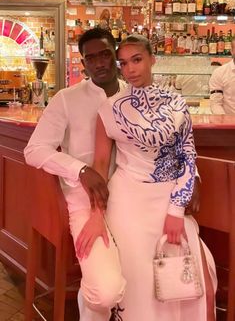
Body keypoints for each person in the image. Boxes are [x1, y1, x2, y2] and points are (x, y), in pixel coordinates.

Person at [24, 28, 200, 321]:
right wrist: (80, 170)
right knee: (106, 290)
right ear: (83, 63)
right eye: (90, 58)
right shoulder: (67, 99)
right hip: (86, 201)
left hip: (133, 199)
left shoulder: (135, 94)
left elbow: (175, 146)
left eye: (105, 54)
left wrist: (193, 180)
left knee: (157, 270)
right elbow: (35, 150)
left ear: (116, 56)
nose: (99, 63)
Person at [78, 34, 217, 321]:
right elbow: (101, 165)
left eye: (137, 60)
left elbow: (188, 157)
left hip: (169, 198)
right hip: (127, 199)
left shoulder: (177, 104)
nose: (130, 69)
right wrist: (95, 214)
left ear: (153, 59)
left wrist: (177, 209)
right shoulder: (110, 108)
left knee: (191, 274)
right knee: (135, 276)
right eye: (124, 63)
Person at [209, 37, 235, 114]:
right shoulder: (219, 73)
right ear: (232, 51)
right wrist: (225, 121)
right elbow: (216, 103)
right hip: (230, 123)